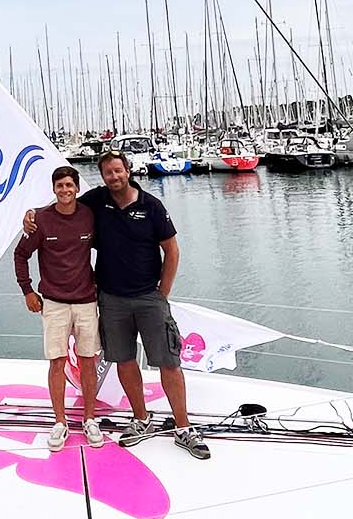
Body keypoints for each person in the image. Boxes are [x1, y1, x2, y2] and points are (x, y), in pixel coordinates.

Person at [24, 150, 208, 459]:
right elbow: (63, 205)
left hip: (149, 297)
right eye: (108, 173)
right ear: (103, 176)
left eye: (118, 171)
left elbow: (172, 251)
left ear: (128, 170)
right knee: (124, 361)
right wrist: (32, 213)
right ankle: (141, 419)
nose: (114, 177)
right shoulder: (97, 200)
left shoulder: (151, 206)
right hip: (110, 299)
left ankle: (183, 427)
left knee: (168, 362)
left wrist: (163, 292)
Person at [13, 166, 103, 451]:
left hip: (87, 300)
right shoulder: (40, 220)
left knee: (88, 360)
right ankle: (60, 422)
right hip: (53, 303)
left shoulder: (90, 215)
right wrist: (27, 290)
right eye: (60, 186)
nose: (65, 190)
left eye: (69, 185)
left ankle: (89, 419)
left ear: (77, 188)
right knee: (57, 362)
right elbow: (20, 254)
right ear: (54, 189)